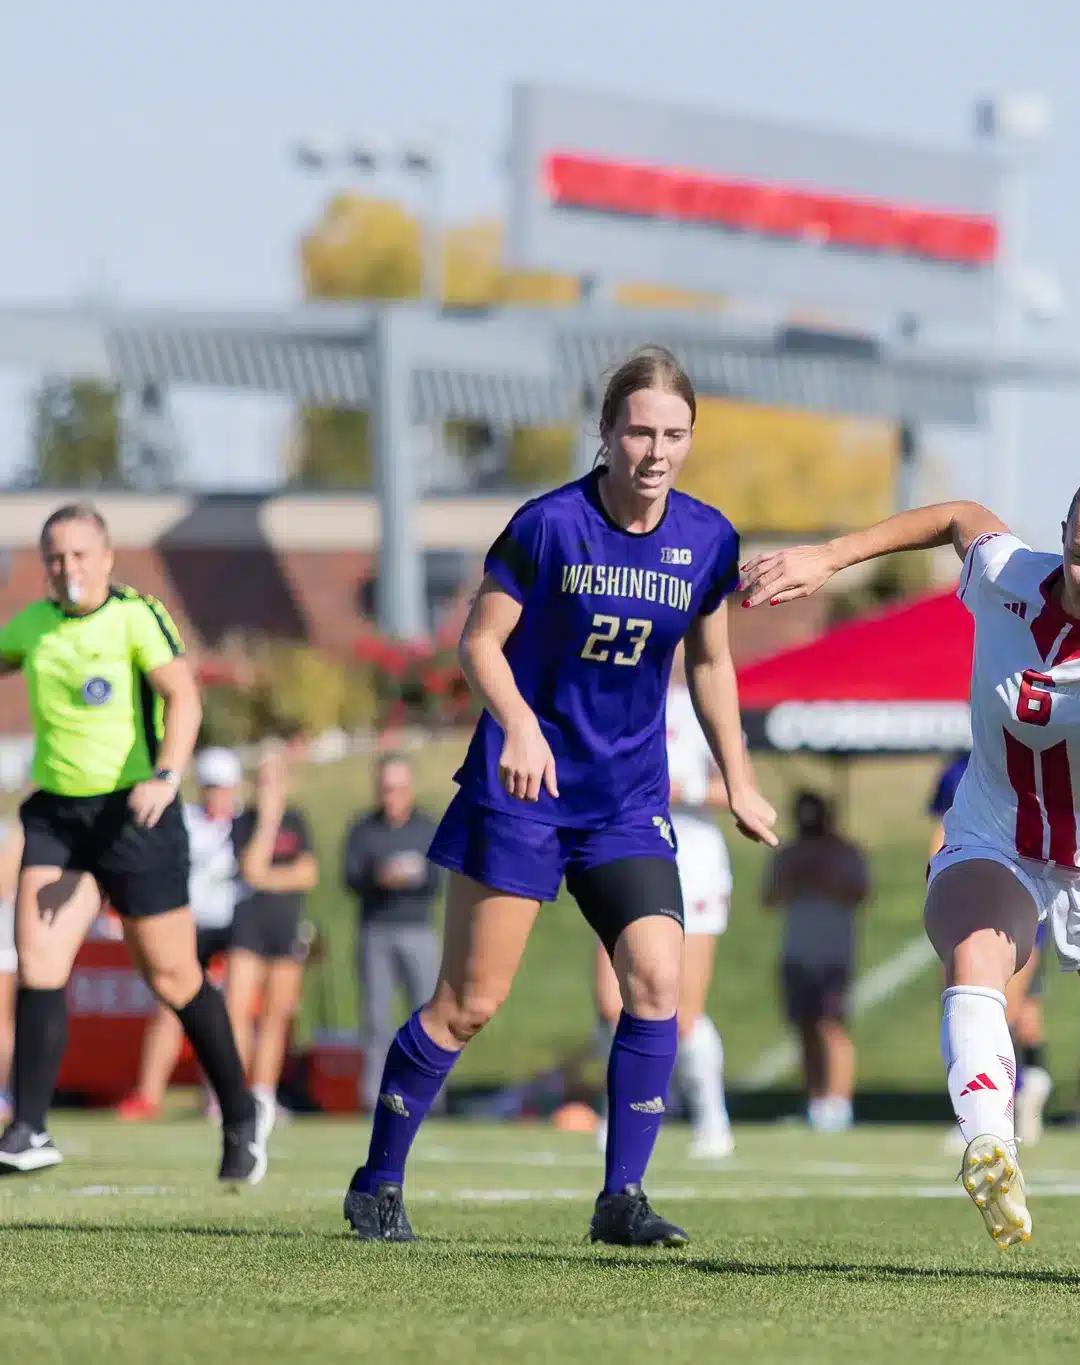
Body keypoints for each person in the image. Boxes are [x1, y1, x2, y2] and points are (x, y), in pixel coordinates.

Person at [741, 452, 1080, 1280]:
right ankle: (990, 1141)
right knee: (976, 953)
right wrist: (827, 557)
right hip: (996, 838)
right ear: (1062, 537)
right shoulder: (1010, 573)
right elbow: (957, 515)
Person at [342, 346, 776, 1246]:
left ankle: (622, 1197)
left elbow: (711, 661)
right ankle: (377, 1180)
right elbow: (479, 642)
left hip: (625, 801)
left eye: (675, 433)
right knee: (468, 1002)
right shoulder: (549, 525)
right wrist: (522, 725)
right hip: (522, 794)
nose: (657, 449)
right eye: (640, 430)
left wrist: (739, 775)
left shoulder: (708, 538)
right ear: (608, 434)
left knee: (657, 983)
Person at [0, 504, 265, 1182]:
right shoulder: (33, 627)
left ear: (107, 557)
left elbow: (184, 698)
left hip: (136, 817)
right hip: (59, 816)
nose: (70, 568)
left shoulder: (135, 617)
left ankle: (240, 1111)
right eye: (57, 557)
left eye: (82, 554)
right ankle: (28, 1127)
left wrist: (168, 775)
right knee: (38, 958)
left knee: (173, 975)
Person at [591, 681, 736, 1159]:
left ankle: (711, 1117)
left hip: (691, 864)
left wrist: (682, 788)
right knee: (612, 1001)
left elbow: (739, 784)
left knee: (683, 1012)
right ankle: (626, 1108)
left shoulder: (700, 701)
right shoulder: (614, 696)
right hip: (625, 854)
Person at [929, 750, 1053, 1144]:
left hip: (1021, 895)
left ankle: (994, 1115)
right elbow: (940, 831)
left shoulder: (1036, 754)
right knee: (991, 1005)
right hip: (973, 893)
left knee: (1006, 1009)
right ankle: (1001, 1106)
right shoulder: (958, 769)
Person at [119, 745, 244, 1121]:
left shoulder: (244, 824)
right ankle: (148, 1093)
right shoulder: (186, 821)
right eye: (211, 787)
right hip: (191, 924)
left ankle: (223, 1095)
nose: (217, 795)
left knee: (233, 1009)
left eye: (223, 787)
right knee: (171, 1007)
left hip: (234, 927)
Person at [763, 790, 869, 1131]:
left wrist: (825, 879)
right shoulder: (789, 854)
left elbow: (860, 892)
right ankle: (815, 1099)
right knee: (804, 1028)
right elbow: (769, 898)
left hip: (833, 951)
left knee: (830, 1025)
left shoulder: (846, 853)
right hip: (796, 949)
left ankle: (839, 1102)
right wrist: (795, 878)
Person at [342, 753, 442, 1112]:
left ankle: (429, 1099)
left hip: (418, 929)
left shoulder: (426, 827)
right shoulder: (363, 829)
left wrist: (409, 877)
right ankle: (375, 1101)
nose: (392, 795)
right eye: (386, 788)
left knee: (429, 1020)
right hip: (376, 931)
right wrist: (379, 877)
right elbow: (350, 877)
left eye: (399, 788)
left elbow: (437, 877)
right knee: (376, 1021)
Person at [227, 746, 319, 1131]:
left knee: (276, 1015)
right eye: (263, 778)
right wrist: (267, 819)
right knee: (237, 1009)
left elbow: (307, 874)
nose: (270, 785)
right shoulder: (245, 822)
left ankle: (263, 1093)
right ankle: (232, 1092)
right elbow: (248, 868)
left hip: (285, 925)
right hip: (249, 924)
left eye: (276, 777)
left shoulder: (298, 821)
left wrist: (267, 877)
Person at [0, 815, 21, 1121]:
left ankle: (2, 1091)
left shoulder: (10, 833)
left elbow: (4, 884)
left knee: (1, 1021)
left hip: (2, 940)